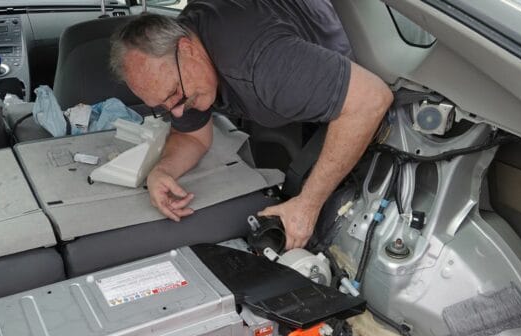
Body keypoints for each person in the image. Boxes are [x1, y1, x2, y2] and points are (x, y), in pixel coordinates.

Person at [109, 0, 393, 250]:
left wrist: (307, 205)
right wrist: (162, 171)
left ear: (187, 50)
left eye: (174, 96)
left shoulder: (262, 64)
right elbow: (193, 137)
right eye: (164, 107)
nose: (177, 111)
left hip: (351, 68)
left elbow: (369, 101)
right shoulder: (182, 61)